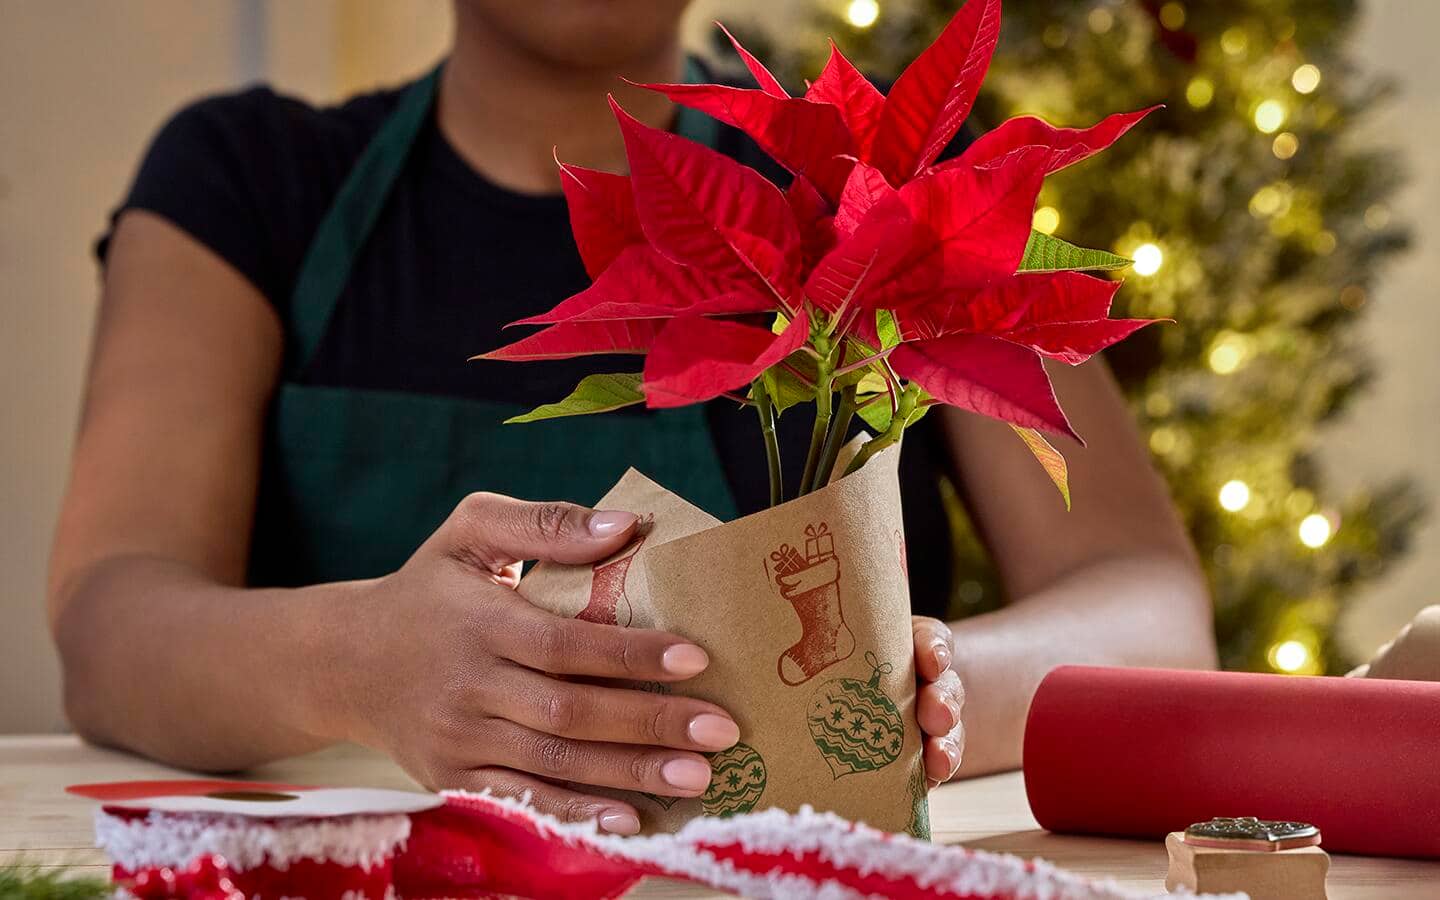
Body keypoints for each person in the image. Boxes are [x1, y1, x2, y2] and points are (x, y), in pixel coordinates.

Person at [47, 0, 1216, 835]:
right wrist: (356, 661)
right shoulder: (249, 182)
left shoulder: (887, 196)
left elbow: (1149, 605)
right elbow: (110, 626)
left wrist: (901, 686)